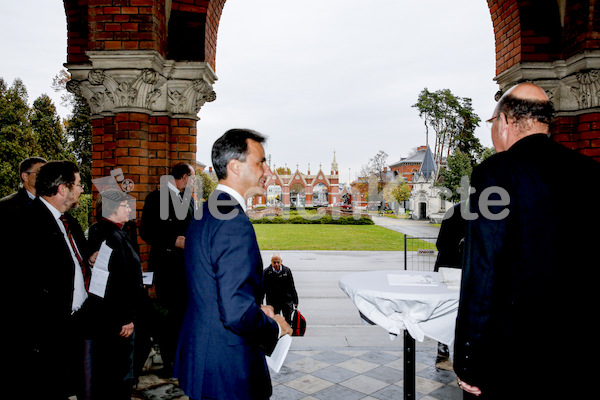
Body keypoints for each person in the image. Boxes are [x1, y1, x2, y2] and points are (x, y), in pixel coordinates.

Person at [454, 83, 600, 399]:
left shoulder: (496, 173)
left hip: (513, 358)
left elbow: (484, 267)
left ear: (504, 121)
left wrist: (468, 359)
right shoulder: (592, 173)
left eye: (492, 123)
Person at [175, 129, 292, 400]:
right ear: (235, 166)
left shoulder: (206, 210)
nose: (267, 170)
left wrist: (253, 307)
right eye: (261, 161)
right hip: (227, 366)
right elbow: (236, 314)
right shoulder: (233, 223)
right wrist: (274, 325)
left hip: (204, 357)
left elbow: (213, 286)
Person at [5, 160, 91, 399]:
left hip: (73, 324)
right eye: (78, 184)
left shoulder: (68, 221)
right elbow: (20, 283)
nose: (82, 189)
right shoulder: (24, 222)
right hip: (46, 333)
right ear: (62, 189)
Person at [86, 189, 146, 399]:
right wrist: (126, 317)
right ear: (111, 209)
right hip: (118, 318)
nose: (130, 209)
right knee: (119, 374)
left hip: (112, 316)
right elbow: (116, 280)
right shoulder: (110, 235)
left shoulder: (109, 231)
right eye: (125, 205)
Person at [140, 162, 195, 377]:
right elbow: (146, 231)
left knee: (183, 315)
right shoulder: (156, 198)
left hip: (186, 268)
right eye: (192, 177)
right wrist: (173, 240)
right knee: (169, 317)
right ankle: (170, 363)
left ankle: (182, 359)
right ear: (183, 177)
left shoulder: (188, 199)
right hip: (166, 267)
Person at [433, 203, 465, 369]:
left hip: (449, 270)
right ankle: (451, 353)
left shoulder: (455, 210)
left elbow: (441, 244)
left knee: (446, 312)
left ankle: (442, 353)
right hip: (456, 271)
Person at [263, 253, 299, 324]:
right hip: (273, 301)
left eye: (278, 262)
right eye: (274, 262)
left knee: (287, 322)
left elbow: (292, 287)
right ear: (271, 262)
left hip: (286, 301)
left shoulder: (287, 271)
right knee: (275, 322)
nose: (276, 264)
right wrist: (260, 302)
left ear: (281, 262)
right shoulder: (266, 272)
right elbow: (262, 289)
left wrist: (296, 300)